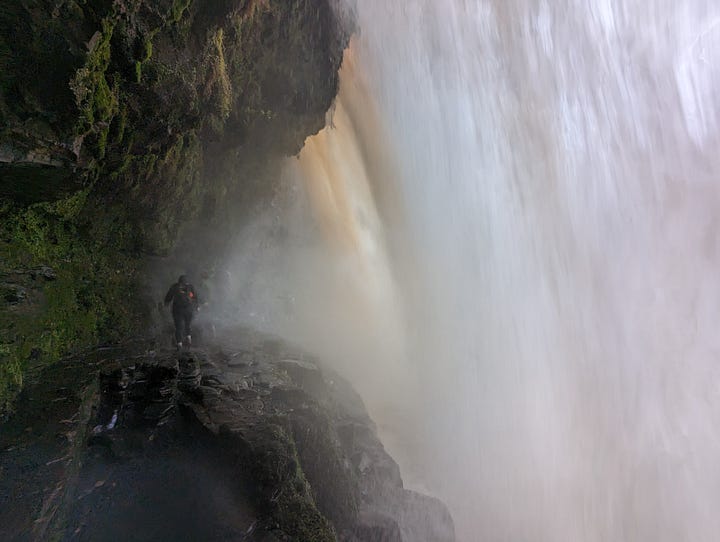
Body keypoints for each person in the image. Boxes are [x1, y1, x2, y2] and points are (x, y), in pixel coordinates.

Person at [164, 275, 199, 350]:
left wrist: (166, 303)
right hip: (188, 309)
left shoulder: (175, 286)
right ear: (187, 281)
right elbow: (195, 297)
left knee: (178, 326)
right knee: (188, 324)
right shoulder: (190, 287)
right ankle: (188, 338)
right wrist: (197, 307)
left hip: (177, 309)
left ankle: (179, 343)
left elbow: (169, 296)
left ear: (179, 281)